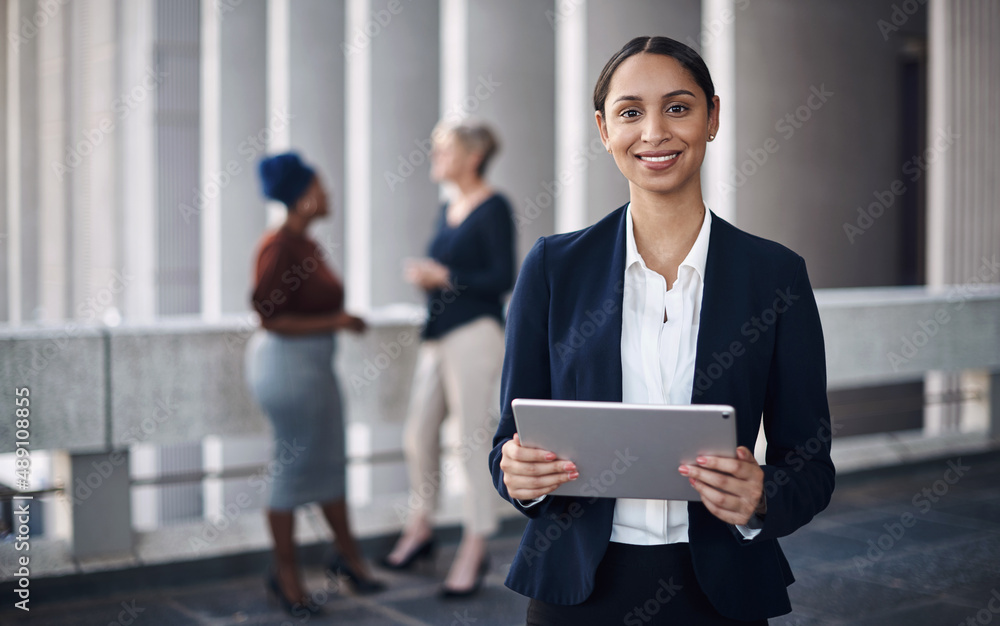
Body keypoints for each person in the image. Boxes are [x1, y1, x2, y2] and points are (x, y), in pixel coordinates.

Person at [489, 36, 836, 625]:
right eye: (630, 112)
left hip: (721, 591)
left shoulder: (775, 275)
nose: (654, 132)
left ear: (713, 117)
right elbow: (507, 447)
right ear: (604, 130)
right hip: (575, 589)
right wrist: (521, 477)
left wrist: (761, 498)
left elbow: (810, 464)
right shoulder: (554, 269)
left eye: (678, 107)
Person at [245, 152, 385, 615]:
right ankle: (286, 578)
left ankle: (350, 560)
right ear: (303, 198)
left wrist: (336, 322)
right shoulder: (279, 245)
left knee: (327, 461)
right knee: (291, 466)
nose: (327, 195)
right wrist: (337, 320)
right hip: (287, 369)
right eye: (319, 188)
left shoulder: (306, 244)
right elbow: (269, 317)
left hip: (314, 368)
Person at [382, 119, 515, 598]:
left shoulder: (494, 206)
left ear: (472, 156)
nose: (435, 158)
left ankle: (474, 545)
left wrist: (445, 276)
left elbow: (502, 276)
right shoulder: (446, 208)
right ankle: (421, 526)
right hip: (437, 336)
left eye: (444, 150)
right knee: (418, 434)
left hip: (475, 334)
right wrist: (432, 279)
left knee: (470, 440)